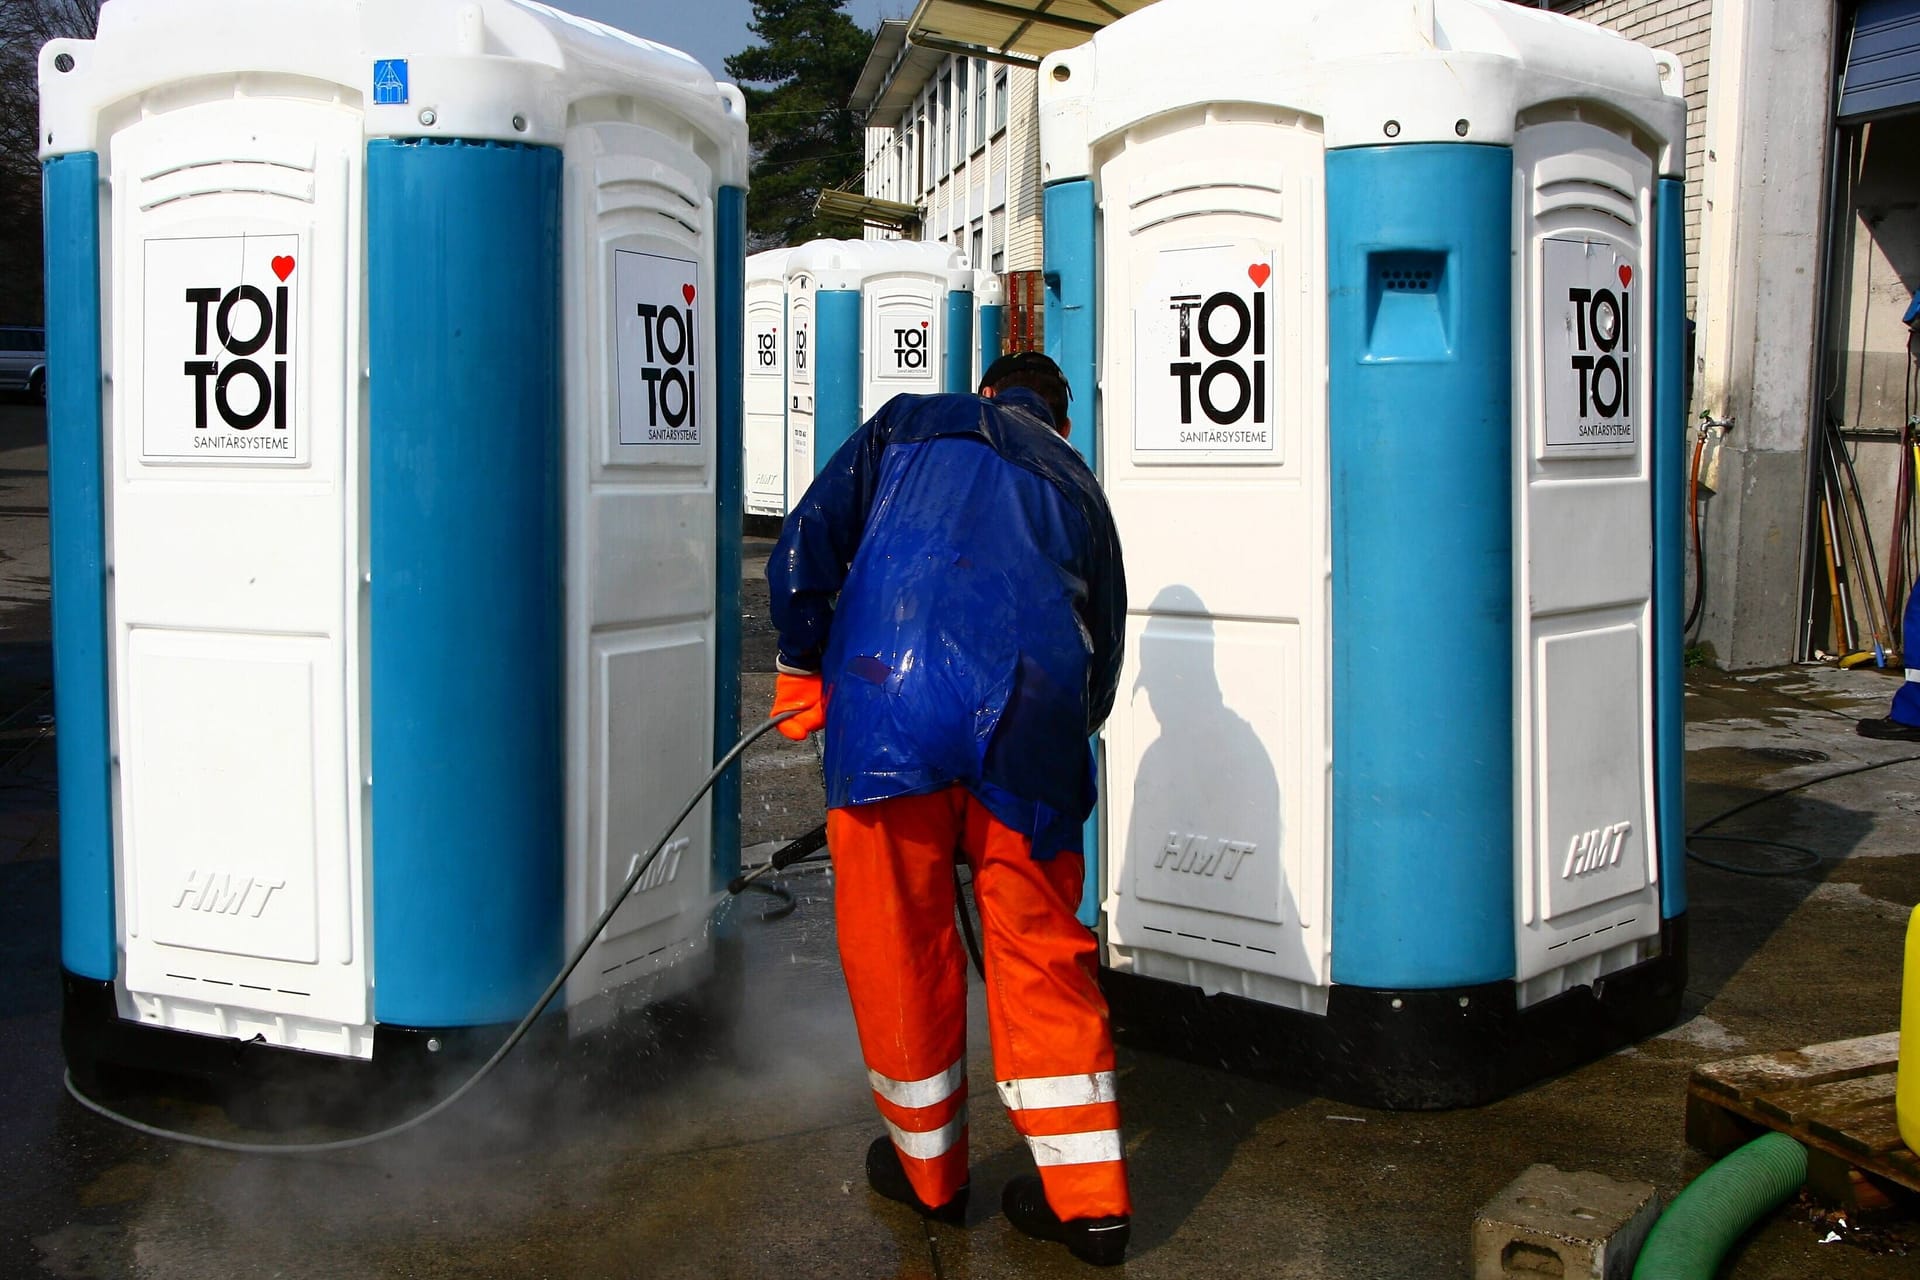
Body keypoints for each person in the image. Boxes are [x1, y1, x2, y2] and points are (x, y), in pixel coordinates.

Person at [765, 352, 1131, 1266]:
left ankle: (931, 1175)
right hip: (1033, 728)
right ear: (1064, 422)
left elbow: (810, 536)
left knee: (899, 943)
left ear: (985, 397)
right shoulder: (1080, 487)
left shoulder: (910, 422)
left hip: (890, 707)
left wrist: (801, 662)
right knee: (1043, 955)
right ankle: (1092, 1205)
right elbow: (1104, 661)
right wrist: (1044, 750)